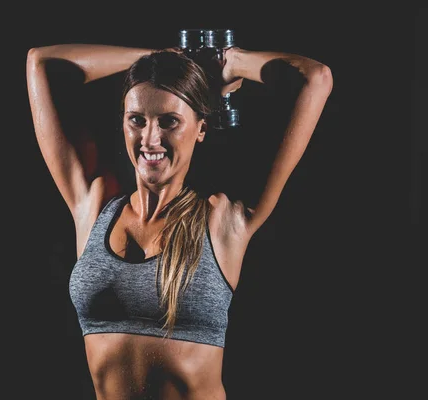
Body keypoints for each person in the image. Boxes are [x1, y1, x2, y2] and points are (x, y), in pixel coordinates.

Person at [26, 41, 333, 399]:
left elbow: (316, 78)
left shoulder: (223, 222)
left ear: (201, 128)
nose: (150, 138)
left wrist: (230, 63)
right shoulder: (93, 209)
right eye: (136, 120)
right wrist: (161, 59)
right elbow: (41, 63)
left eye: (170, 121)